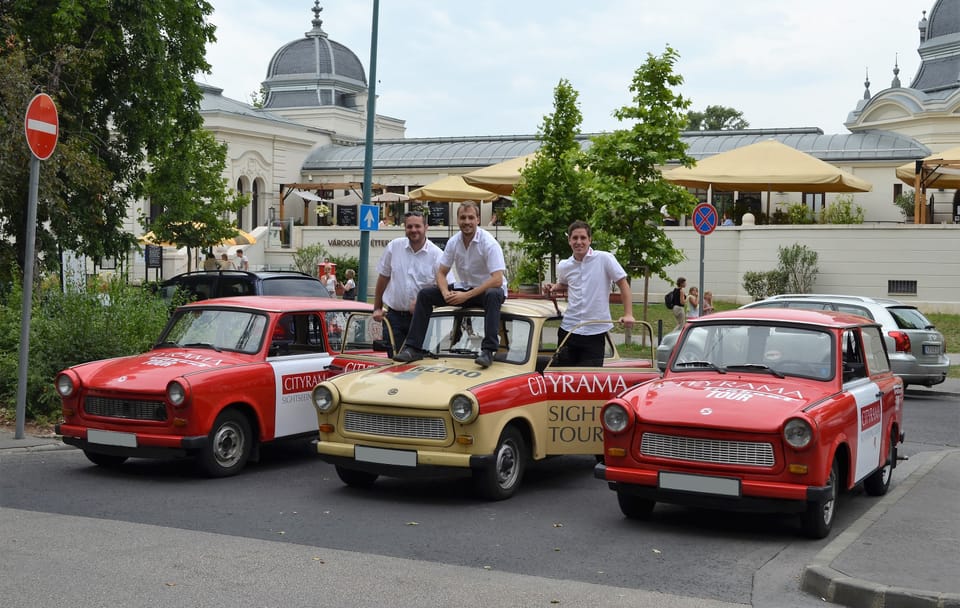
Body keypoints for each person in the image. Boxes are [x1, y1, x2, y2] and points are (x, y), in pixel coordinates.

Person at [394, 201, 507, 368]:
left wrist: (466, 295)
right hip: (465, 289)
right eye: (463, 217)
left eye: (470, 217)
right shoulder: (454, 242)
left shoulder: (489, 243)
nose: (466, 221)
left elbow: (497, 279)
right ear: (457, 220)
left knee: (493, 294)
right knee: (425, 295)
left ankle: (488, 351)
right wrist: (445, 291)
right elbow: (441, 273)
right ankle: (413, 348)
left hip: (488, 291)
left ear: (478, 220)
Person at [545, 220, 635, 367]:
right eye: (574, 238)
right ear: (569, 241)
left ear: (590, 240)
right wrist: (554, 287)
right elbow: (565, 284)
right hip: (569, 330)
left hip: (595, 331)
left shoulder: (604, 258)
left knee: (589, 381)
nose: (579, 242)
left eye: (583, 238)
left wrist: (628, 313)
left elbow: (623, 284)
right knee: (564, 380)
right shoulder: (564, 265)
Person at [372, 211, 445, 355]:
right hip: (394, 318)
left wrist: (421, 301)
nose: (413, 230)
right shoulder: (394, 247)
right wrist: (377, 308)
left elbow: (445, 288)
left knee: (419, 364)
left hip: (421, 319)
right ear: (405, 228)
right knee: (395, 362)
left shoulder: (437, 254)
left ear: (426, 227)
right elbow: (383, 278)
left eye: (417, 226)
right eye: (409, 226)